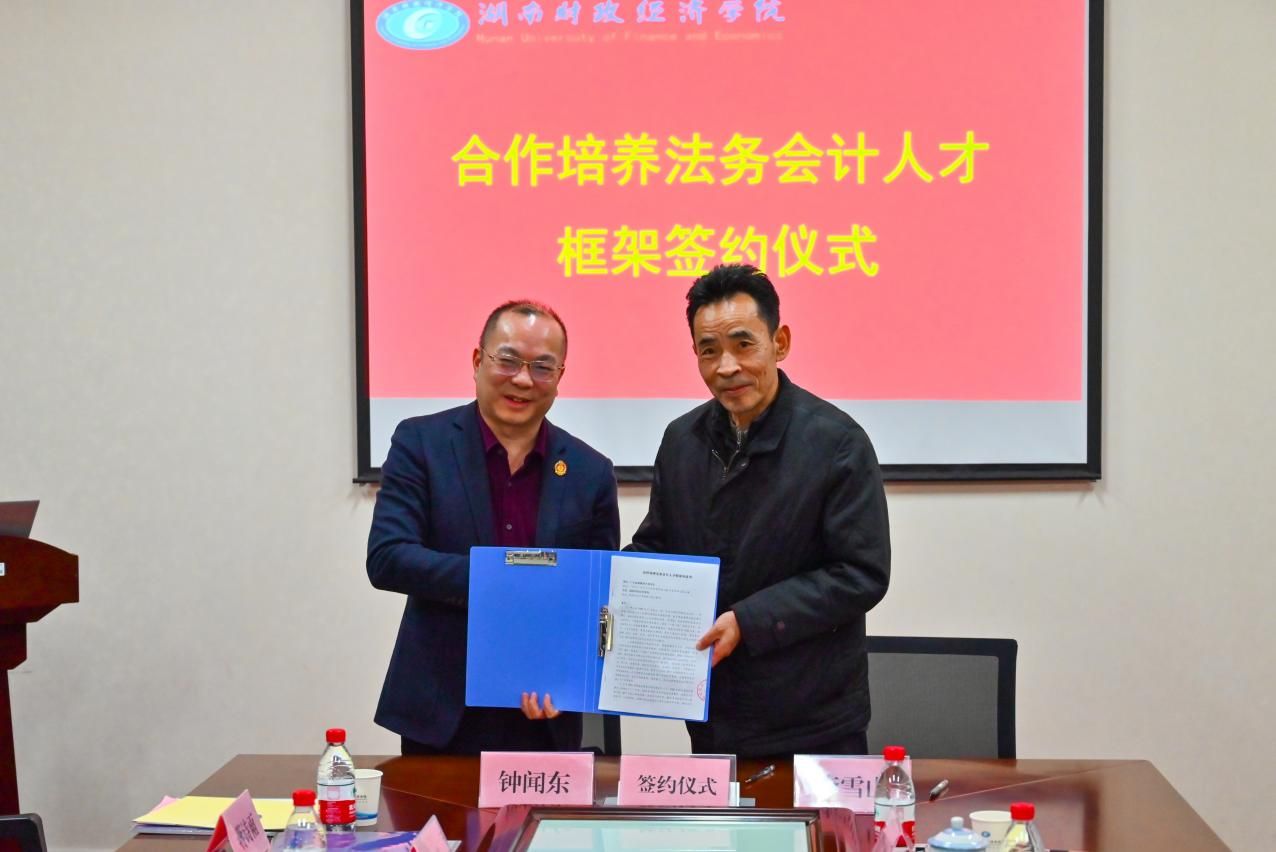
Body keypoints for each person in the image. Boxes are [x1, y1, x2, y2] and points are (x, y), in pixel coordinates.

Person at [629, 264, 891, 757]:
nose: (726, 366)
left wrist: (748, 621)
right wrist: (614, 589)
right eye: (709, 350)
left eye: (743, 344)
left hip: (813, 721)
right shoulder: (682, 440)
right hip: (713, 712)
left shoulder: (836, 443)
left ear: (779, 342)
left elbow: (860, 574)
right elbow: (659, 544)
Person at [368, 300, 620, 754]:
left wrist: (569, 677)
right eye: (508, 360)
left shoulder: (591, 471)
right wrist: (503, 579)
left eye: (542, 367)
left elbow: (597, 596)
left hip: (545, 710)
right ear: (477, 360)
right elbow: (388, 557)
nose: (522, 379)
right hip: (442, 709)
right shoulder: (420, 443)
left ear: (559, 377)